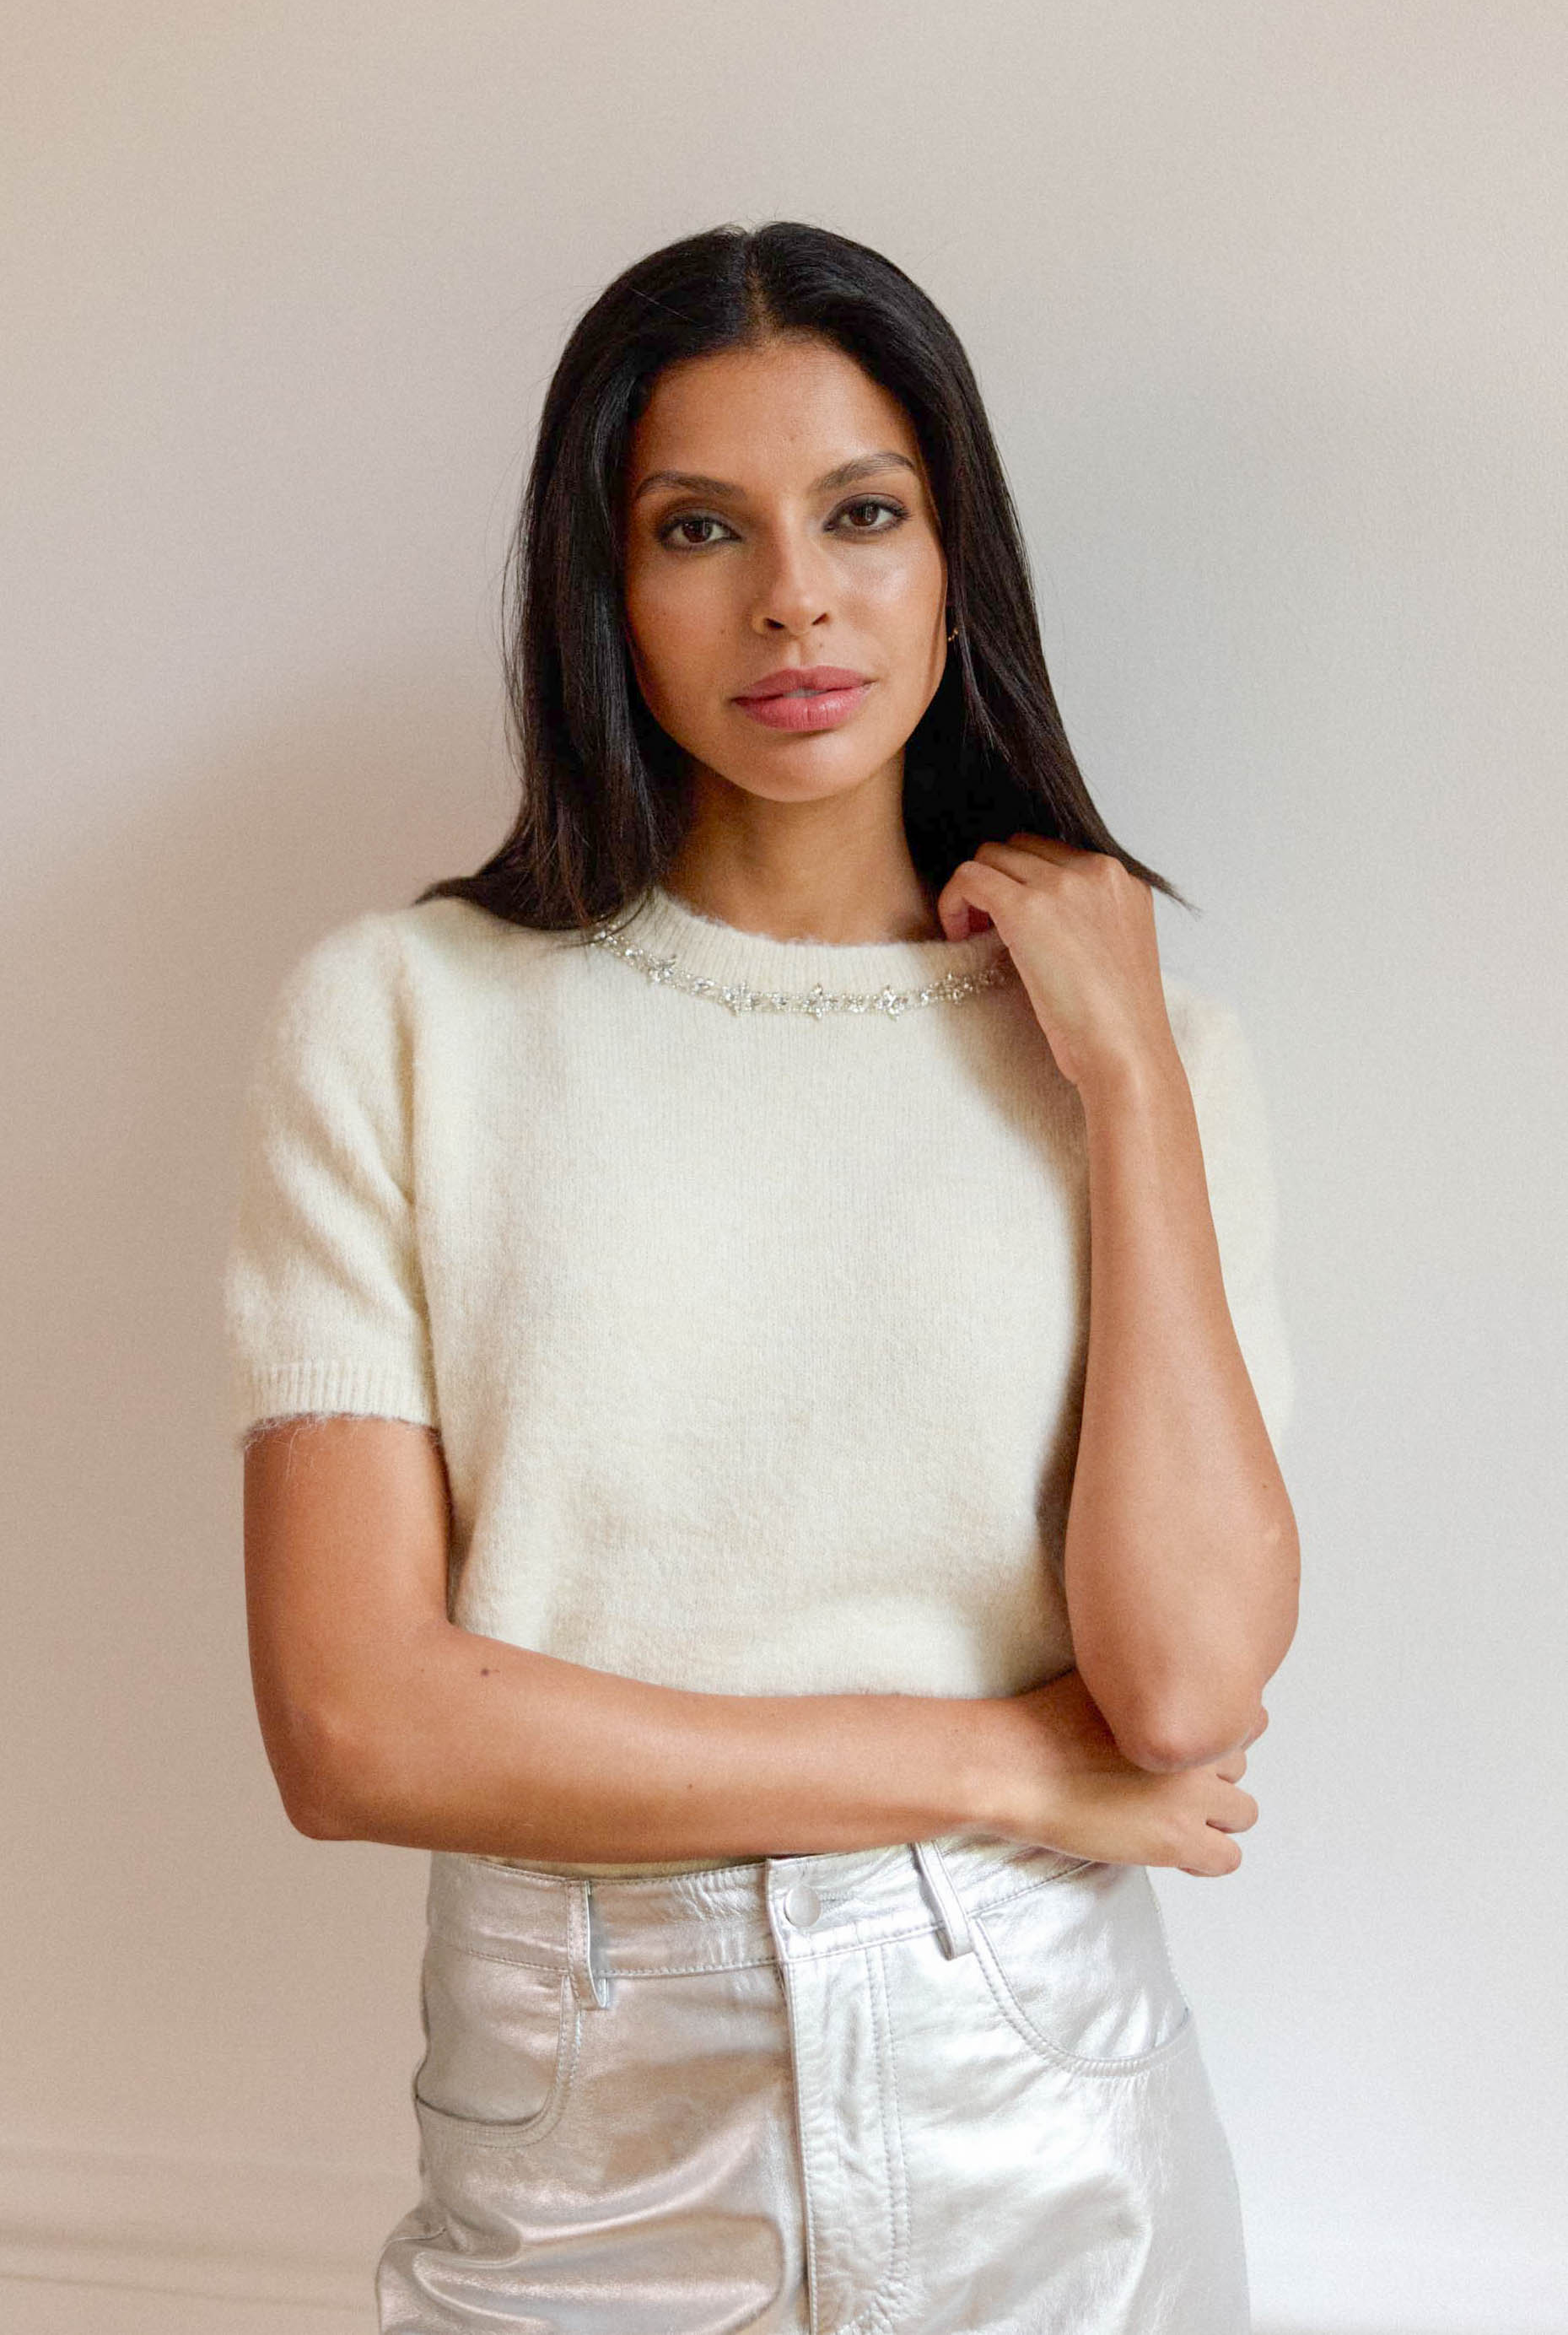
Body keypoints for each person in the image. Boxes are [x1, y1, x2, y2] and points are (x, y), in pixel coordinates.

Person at [224, 218, 1299, 2333]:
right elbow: (354, 1722)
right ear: (602, 586)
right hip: (586, 2112)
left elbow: (1184, 1693)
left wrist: (1131, 1086)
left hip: (1045, 2092)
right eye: (699, 526)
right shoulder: (406, 1017)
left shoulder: (1146, 1056)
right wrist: (998, 1762)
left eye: (863, 513)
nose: (793, 597)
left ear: (955, 562)